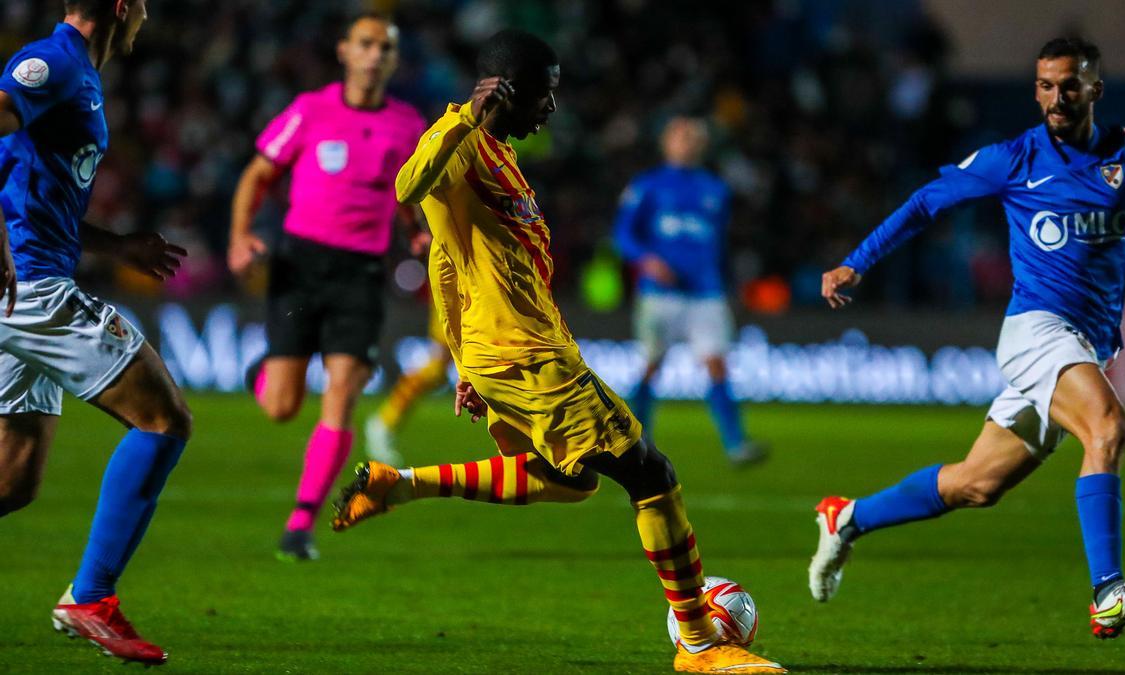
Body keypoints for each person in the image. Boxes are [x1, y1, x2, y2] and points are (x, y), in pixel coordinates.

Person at [330, 29, 785, 673]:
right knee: (650, 474)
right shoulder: (459, 142)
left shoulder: (501, 157)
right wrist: (465, 115)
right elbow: (408, 185)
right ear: (505, 92)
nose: (550, 107)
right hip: (525, 356)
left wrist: (465, 362)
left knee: (568, 480)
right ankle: (699, 644)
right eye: (543, 93)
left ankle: (398, 484)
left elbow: (452, 265)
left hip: (513, 351)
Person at [811, 37, 1125, 639]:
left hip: (1086, 344)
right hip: (1036, 331)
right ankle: (1108, 591)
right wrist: (857, 262)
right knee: (1108, 427)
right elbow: (924, 204)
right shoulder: (1014, 158)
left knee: (977, 484)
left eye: (1070, 85)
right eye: (1045, 86)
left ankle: (846, 518)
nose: (1056, 98)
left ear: (1096, 89)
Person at [0, 0, 192, 664]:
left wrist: (115, 245)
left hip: (25, 283)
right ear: (119, 6)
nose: (145, 13)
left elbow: (33, 191)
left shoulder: (77, 72)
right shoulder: (49, 64)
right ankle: (90, 596)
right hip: (30, 288)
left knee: (13, 479)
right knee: (164, 419)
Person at [227, 12, 425, 561]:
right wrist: (241, 235)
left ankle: (300, 524)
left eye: (385, 47)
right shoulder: (310, 110)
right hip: (300, 264)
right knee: (282, 408)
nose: (375, 55)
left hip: (360, 272)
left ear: (393, 58)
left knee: (342, 392)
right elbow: (257, 173)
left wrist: (416, 233)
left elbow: (408, 191)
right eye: (365, 44)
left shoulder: (407, 124)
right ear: (343, 50)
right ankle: (264, 377)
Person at [614, 117, 764, 466]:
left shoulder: (715, 189)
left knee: (717, 365)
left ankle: (736, 444)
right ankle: (636, 441)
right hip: (659, 292)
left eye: (694, 138)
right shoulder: (647, 186)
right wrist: (646, 260)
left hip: (705, 292)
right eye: (681, 137)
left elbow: (720, 244)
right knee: (652, 366)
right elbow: (624, 235)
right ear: (667, 142)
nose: (688, 143)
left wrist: (729, 283)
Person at [363, 256, 454, 466]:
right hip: (457, 273)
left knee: (440, 367)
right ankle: (384, 422)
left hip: (478, 271)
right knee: (439, 364)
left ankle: (385, 422)